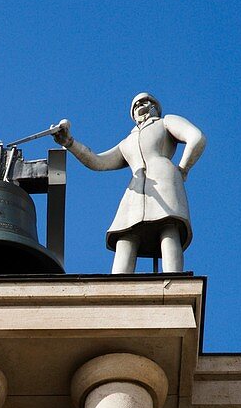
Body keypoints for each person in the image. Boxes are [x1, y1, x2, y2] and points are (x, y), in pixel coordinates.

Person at [52, 93, 205, 273]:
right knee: (125, 235)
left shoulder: (165, 122)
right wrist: (69, 142)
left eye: (146, 101)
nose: (141, 104)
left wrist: (183, 168)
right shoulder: (128, 141)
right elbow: (97, 161)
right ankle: (116, 287)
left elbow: (196, 137)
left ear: (156, 106)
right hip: (136, 188)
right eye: (136, 104)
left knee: (169, 227)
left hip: (164, 177)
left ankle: (173, 278)